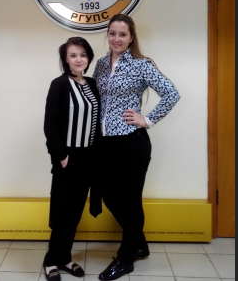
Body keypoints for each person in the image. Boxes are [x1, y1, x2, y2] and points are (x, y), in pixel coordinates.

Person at [92, 14, 181, 281]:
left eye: (122, 34)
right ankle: (139, 243)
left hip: (131, 142)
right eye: (112, 33)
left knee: (130, 201)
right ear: (107, 35)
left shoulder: (141, 64)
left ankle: (126, 258)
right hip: (105, 143)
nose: (116, 38)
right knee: (109, 196)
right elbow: (96, 98)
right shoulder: (100, 64)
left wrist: (147, 119)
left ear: (131, 38)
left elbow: (172, 93)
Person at [42, 37, 102, 281]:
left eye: (83, 55)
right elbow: (50, 125)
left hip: (89, 158)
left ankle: (65, 258)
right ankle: (50, 260)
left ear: (88, 58)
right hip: (68, 157)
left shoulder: (92, 84)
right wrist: (61, 156)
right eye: (73, 55)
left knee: (75, 212)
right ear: (66, 59)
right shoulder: (59, 85)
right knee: (62, 211)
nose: (79, 59)